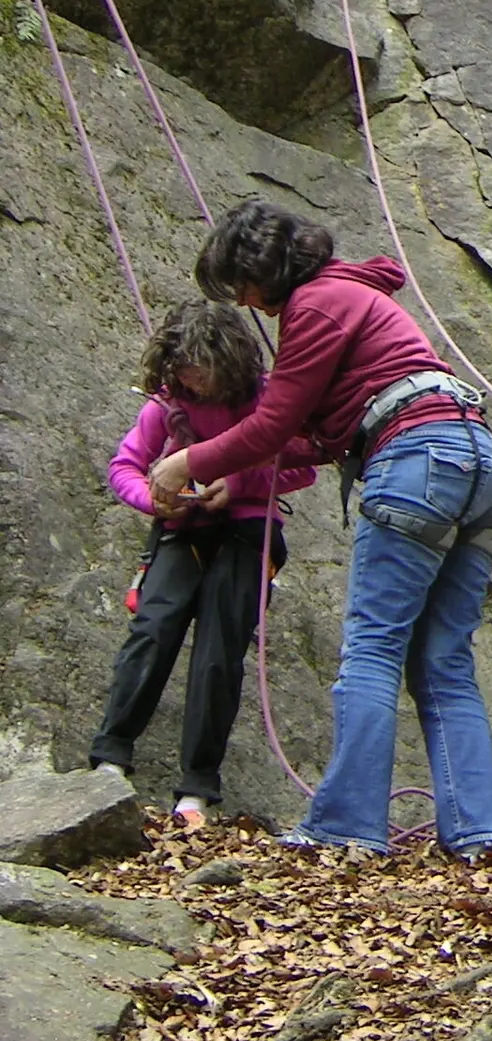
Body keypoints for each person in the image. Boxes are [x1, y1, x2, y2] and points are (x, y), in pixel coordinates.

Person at [148, 201, 492, 856]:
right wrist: (239, 475)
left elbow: (272, 425)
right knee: (444, 659)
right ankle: (478, 831)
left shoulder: (316, 303)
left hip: (418, 459)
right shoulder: (352, 297)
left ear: (262, 269)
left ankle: (346, 825)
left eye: (242, 285)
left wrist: (186, 461)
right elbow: (319, 438)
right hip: (479, 465)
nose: (245, 302)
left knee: (373, 648)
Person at [90, 300, 316, 829]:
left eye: (200, 369)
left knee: (219, 652)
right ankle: (110, 755)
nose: (192, 379)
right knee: (152, 628)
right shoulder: (169, 406)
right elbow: (125, 466)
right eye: (184, 369)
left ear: (228, 360)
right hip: (181, 531)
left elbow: (301, 468)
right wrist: (153, 499)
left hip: (247, 533)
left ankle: (197, 787)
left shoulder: (265, 401)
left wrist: (236, 482)